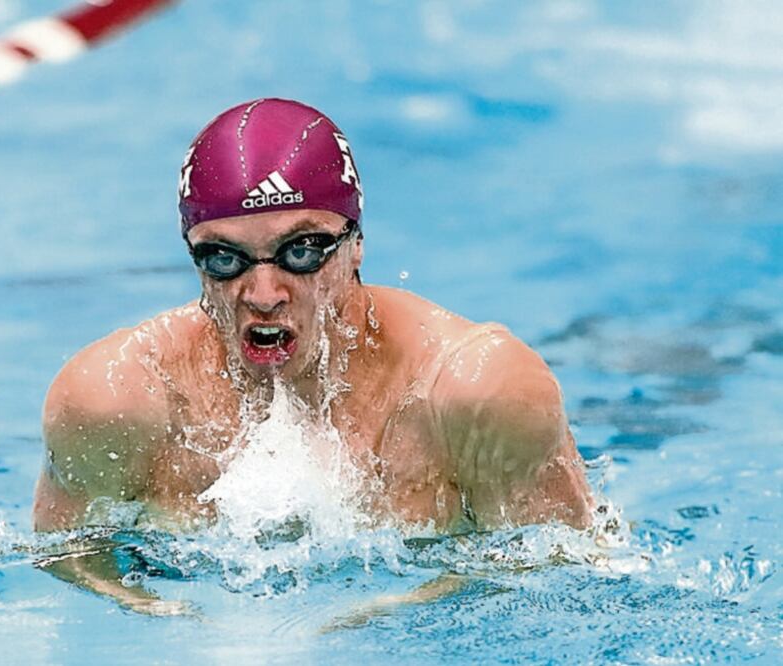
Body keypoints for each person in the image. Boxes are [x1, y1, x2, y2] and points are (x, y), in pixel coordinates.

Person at [32, 98, 593, 613]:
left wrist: (399, 612)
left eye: (301, 251)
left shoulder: (474, 392)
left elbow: (563, 579)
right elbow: (65, 566)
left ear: (356, 245)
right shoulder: (116, 403)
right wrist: (162, 617)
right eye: (224, 258)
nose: (263, 293)